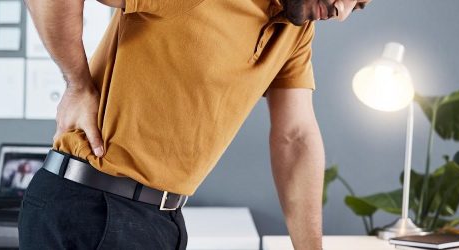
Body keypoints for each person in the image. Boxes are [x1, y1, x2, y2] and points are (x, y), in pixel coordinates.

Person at [18, 0, 371, 249]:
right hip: (93, 208)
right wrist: (77, 84)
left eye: (357, 6)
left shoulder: (295, 33)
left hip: (162, 220)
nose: (341, 11)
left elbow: (295, 138)